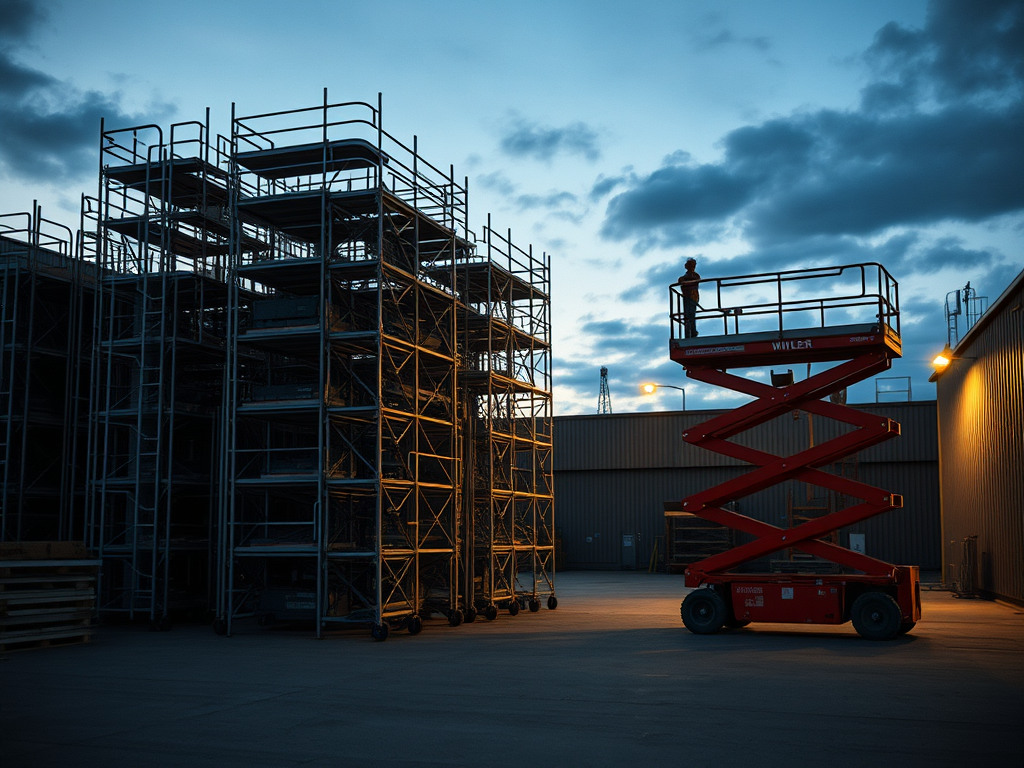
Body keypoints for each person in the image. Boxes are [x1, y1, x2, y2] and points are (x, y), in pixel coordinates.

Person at [677, 257, 700, 338]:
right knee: (687, 315)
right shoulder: (686, 276)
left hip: (692, 296)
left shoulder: (695, 275)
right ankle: (689, 331)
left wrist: (685, 281)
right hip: (687, 296)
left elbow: (693, 281)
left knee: (691, 314)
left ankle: (692, 331)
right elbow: (681, 281)